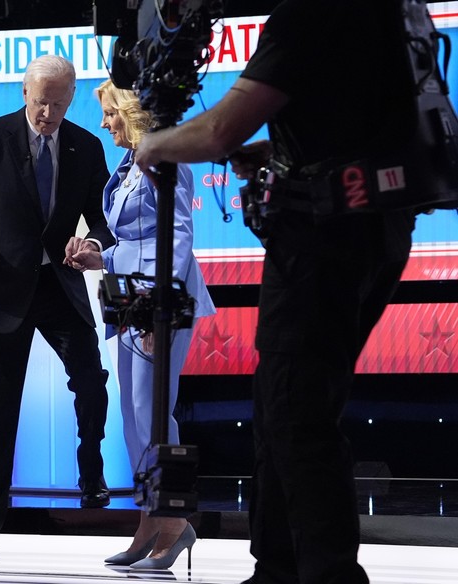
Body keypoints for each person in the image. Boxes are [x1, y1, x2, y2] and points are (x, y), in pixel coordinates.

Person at [133, 1, 417, 582]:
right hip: (374, 232)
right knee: (281, 409)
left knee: (297, 415)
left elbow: (219, 130)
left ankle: (325, 573)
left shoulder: (309, 15)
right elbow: (353, 122)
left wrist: (153, 146)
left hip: (324, 241)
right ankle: (277, 568)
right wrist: (283, 153)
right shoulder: (385, 13)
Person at [0, 54, 116, 562]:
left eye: (59, 104)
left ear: (71, 99)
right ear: (24, 93)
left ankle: (91, 471)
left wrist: (93, 247)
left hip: (59, 287)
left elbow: (103, 221)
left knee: (90, 380)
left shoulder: (86, 146)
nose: (49, 114)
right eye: (42, 103)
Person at [69, 79, 215, 570]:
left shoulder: (164, 160)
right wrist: (100, 255)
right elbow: (136, 236)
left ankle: (174, 520)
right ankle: (151, 519)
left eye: (110, 113)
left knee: (152, 412)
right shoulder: (131, 164)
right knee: (133, 416)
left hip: (159, 302)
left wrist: (158, 302)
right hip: (130, 301)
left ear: (129, 112)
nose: (104, 123)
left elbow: (176, 237)